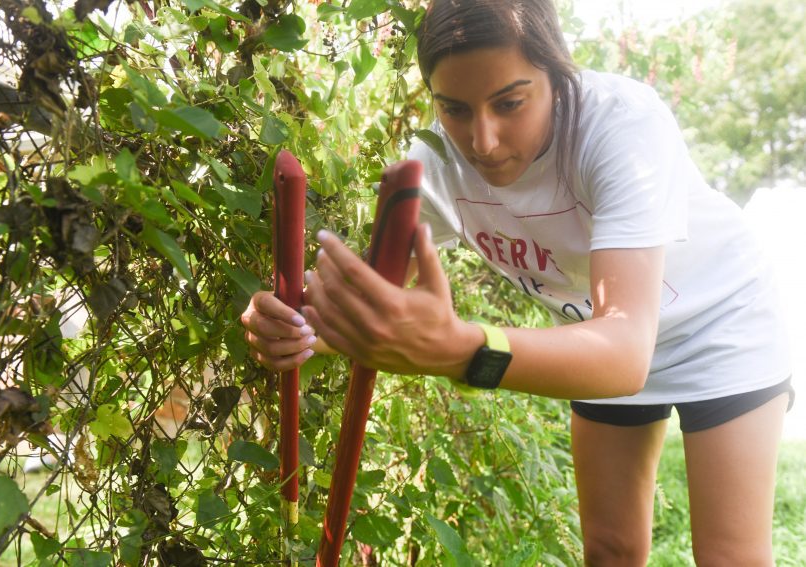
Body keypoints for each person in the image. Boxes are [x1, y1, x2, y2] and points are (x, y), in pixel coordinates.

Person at [241, 0, 794, 564]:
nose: (481, 141)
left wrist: (464, 352)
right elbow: (365, 309)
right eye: (454, 109)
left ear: (557, 71)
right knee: (609, 550)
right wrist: (298, 327)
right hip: (594, 336)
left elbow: (627, 351)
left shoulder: (620, 125)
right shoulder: (436, 162)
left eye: (510, 102)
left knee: (729, 557)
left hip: (719, 325)